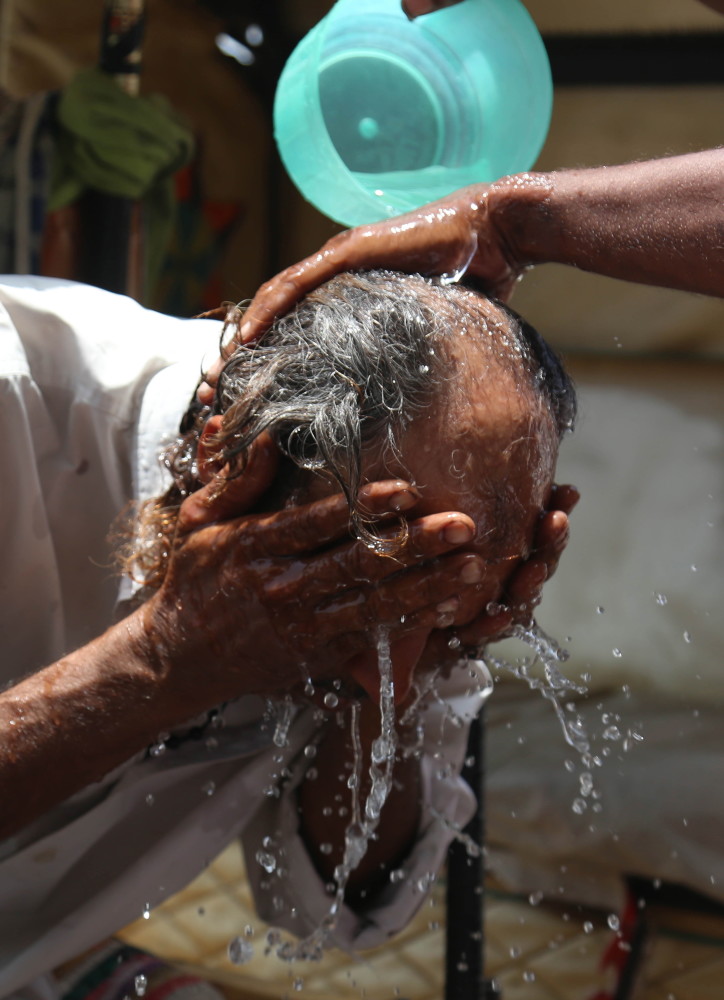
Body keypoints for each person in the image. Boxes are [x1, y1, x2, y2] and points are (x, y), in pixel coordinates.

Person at [0, 269, 575, 994]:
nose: (384, 670)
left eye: (439, 622)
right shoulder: (16, 400)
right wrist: (163, 661)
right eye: (363, 600)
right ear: (230, 462)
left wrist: (420, 673)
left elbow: (332, 901)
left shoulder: (397, 582)